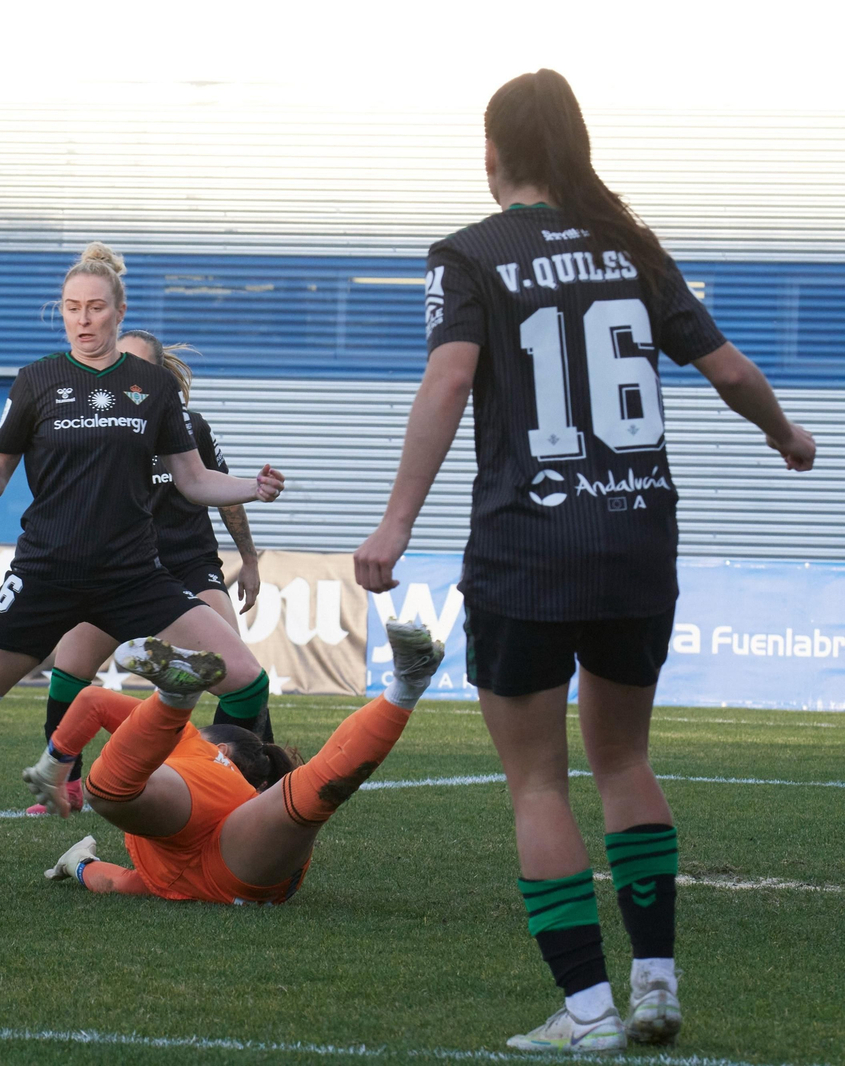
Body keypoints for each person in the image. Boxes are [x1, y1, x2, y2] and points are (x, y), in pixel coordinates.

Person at [353, 70, 817, 1053]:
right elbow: (728, 368)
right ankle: (655, 982)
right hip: (637, 534)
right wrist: (786, 435)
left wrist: (392, 526)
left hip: (528, 545)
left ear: (491, 157)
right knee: (623, 760)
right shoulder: (630, 248)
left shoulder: (468, 255)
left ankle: (587, 1010)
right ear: (574, 148)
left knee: (537, 783)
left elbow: (447, 378)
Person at [0, 244, 283, 733]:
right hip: (82, 567)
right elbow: (0, 467)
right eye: (73, 308)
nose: (84, 320)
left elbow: (200, 482)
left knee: (237, 672)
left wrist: (252, 500)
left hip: (167, 564)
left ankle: (243, 772)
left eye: (95, 308)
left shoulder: (166, 404)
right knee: (37, 677)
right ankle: (59, 777)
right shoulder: (47, 387)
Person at [25, 622, 441, 907]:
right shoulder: (207, 765)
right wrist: (78, 863)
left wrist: (55, 766)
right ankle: (407, 683)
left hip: (232, 859)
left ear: (221, 747)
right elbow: (118, 881)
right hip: (233, 846)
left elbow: (93, 701)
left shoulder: (194, 746)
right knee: (315, 788)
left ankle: (407, 684)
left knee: (317, 789)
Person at [31, 328, 267, 817]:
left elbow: (220, 490)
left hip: (190, 566)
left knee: (241, 677)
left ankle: (240, 786)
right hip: (123, 570)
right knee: (68, 671)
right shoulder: (93, 427)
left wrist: (249, 559)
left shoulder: (191, 427)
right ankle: (67, 788)